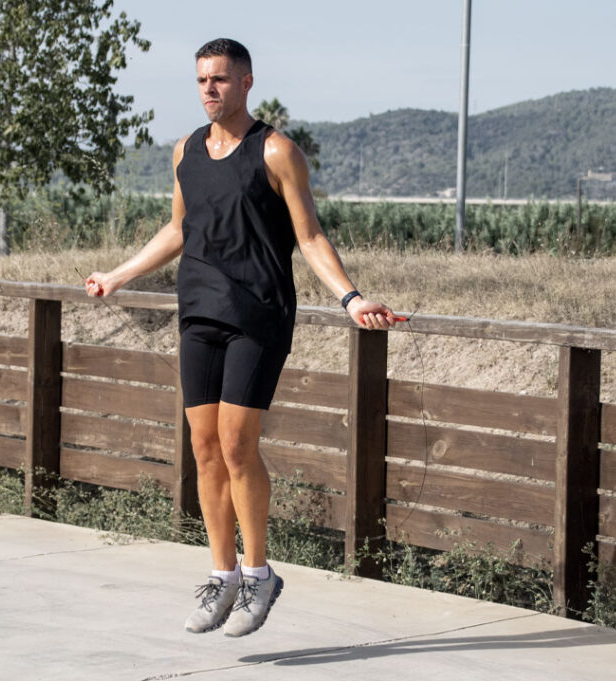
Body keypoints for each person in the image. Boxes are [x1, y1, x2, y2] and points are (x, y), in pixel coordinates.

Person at [85, 38, 398, 637]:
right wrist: (119, 276)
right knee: (203, 447)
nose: (209, 89)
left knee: (235, 444)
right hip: (198, 309)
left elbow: (308, 236)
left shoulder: (276, 151)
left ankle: (258, 574)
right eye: (202, 79)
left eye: (221, 79)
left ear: (246, 82)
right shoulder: (184, 151)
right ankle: (222, 574)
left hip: (258, 312)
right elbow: (179, 229)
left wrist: (351, 298)